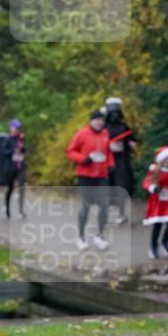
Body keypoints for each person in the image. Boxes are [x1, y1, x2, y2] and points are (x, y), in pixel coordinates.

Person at [66, 110, 114, 250]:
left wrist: (111, 164)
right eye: (97, 120)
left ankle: (99, 236)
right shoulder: (82, 133)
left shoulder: (105, 134)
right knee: (85, 207)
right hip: (85, 176)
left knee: (104, 207)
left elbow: (108, 152)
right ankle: (81, 238)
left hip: (102, 176)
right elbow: (70, 151)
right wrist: (83, 159)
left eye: (101, 120)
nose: (99, 122)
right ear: (91, 121)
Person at [142, 146, 168, 258]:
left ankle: (164, 241)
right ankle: (153, 247)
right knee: (157, 224)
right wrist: (153, 188)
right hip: (158, 201)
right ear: (162, 159)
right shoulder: (155, 170)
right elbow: (146, 182)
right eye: (167, 158)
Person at [104, 96, 136, 224]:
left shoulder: (124, 127)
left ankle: (121, 214)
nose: (114, 115)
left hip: (121, 161)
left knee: (121, 186)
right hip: (106, 162)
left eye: (116, 112)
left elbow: (131, 139)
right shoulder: (103, 127)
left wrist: (131, 144)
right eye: (112, 112)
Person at [3, 119, 27, 219]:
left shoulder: (21, 139)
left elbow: (25, 150)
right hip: (10, 167)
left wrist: (23, 150)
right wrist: (13, 150)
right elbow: (3, 151)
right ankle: (7, 208)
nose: (18, 130)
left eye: (19, 128)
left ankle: (21, 210)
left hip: (20, 166)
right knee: (10, 188)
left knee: (22, 187)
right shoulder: (7, 139)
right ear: (11, 128)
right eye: (16, 128)